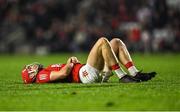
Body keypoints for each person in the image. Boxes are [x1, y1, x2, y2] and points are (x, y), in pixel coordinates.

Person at [21, 37, 156, 84]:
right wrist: (70, 63)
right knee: (103, 41)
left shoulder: (43, 71)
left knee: (116, 42)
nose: (31, 67)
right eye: (29, 70)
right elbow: (62, 73)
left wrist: (70, 61)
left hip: (86, 70)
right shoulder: (41, 76)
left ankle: (134, 72)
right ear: (31, 76)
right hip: (84, 75)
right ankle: (122, 76)